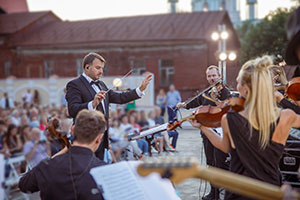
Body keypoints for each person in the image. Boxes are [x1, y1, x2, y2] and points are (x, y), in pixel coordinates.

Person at [190, 56, 300, 200]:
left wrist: (203, 127)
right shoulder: (286, 117)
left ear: (246, 89)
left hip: (239, 192)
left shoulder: (230, 118)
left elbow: (225, 147)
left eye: (238, 83)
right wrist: (285, 99)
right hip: (271, 190)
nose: (236, 87)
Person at [66, 52, 152, 160]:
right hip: (86, 139)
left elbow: (120, 98)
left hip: (102, 138)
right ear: (87, 67)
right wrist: (92, 104)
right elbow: (72, 110)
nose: (101, 71)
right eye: (98, 68)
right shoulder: (74, 84)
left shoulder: (101, 84)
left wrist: (140, 89)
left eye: (102, 68)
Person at [19, 109, 107, 200]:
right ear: (99, 138)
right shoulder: (104, 169)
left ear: (73, 130)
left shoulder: (47, 166)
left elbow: (24, 184)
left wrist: (51, 160)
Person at [177, 65, 231, 200]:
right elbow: (195, 101)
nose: (212, 78)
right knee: (210, 163)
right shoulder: (206, 92)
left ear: (219, 76)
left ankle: (221, 194)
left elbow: (226, 107)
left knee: (219, 165)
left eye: (214, 75)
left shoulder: (224, 91)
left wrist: (217, 100)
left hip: (219, 132)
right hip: (206, 132)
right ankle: (213, 193)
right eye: (209, 76)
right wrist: (184, 104)